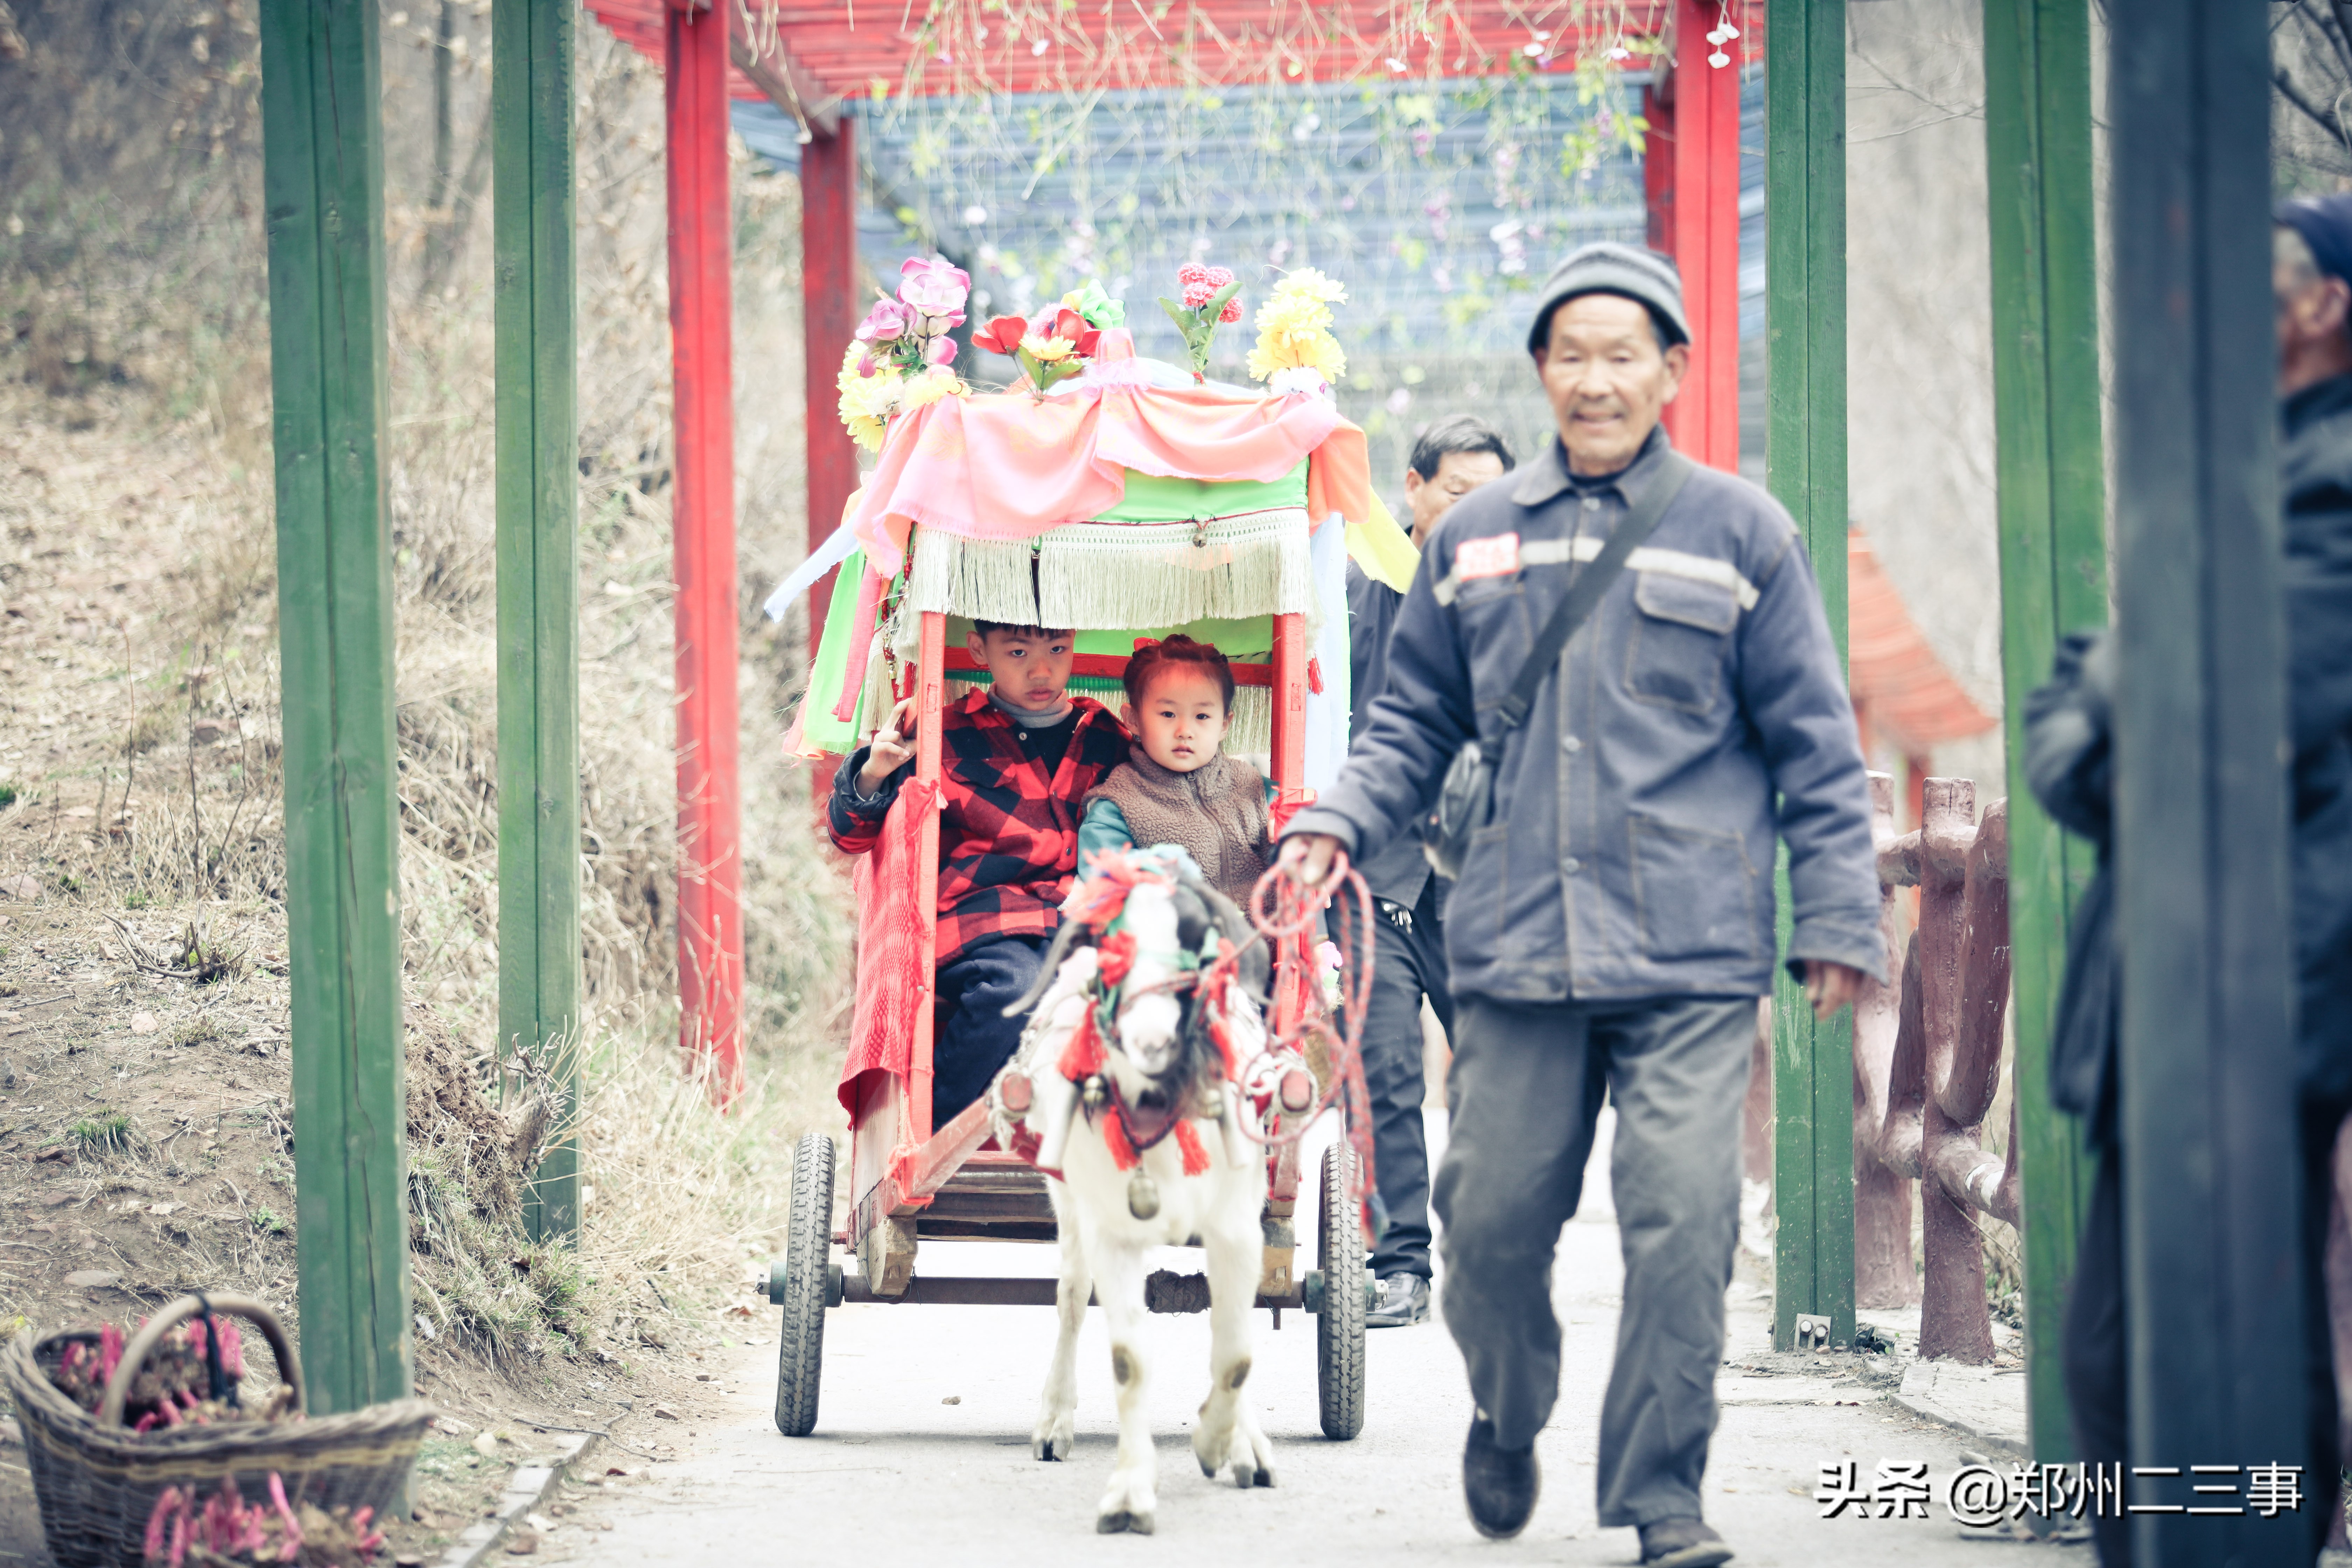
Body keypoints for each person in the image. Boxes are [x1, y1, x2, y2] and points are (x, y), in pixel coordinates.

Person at [1274, 241, 1884, 1568]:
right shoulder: (1474, 542)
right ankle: (1506, 1405)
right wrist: (1335, 819)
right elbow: (1405, 727)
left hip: (1687, 954)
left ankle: (1660, 1494)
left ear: (1670, 369)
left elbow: (1814, 745)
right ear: (1540, 371)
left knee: (1683, 1225)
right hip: (1514, 946)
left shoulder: (1742, 535)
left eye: (1622, 355)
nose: (1595, 380)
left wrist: (1834, 915)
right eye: (1570, 355)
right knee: (1483, 1226)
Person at [2035, 197, 2352, 1568]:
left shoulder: (2331, 475)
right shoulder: (2236, 465)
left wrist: (2122, 670)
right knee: (2116, 1356)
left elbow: (2231, 688)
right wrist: (2122, 685)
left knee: (2235, 1349)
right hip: (2177, 961)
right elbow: (2076, 734)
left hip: (2268, 966)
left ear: (2322, 301)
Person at [1350, 415, 1516, 1330]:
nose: (1476, 513)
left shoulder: (1526, 598)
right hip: (1375, 877)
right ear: (1411, 490)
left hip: (1484, 876)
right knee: (1382, 1070)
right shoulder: (1352, 590)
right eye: (1459, 493)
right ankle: (1399, 1264)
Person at [829, 620, 1129, 1127]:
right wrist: (875, 771)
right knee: (1015, 990)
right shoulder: (942, 733)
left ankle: (1107, 1147)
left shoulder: (1106, 738)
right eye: (1017, 652)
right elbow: (850, 838)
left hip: (1081, 924)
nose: (1041, 669)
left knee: (1140, 993)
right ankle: (934, 1129)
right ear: (978, 650)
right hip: (985, 924)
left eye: (1058, 649)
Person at [1076, 635, 1271, 908]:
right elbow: (1107, 880)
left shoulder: (1252, 786)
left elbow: (1292, 839)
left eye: (1202, 717)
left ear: (1225, 725)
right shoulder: (1119, 804)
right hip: (1179, 943)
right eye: (1168, 714)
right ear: (1133, 719)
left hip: (1268, 938)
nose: (1185, 732)